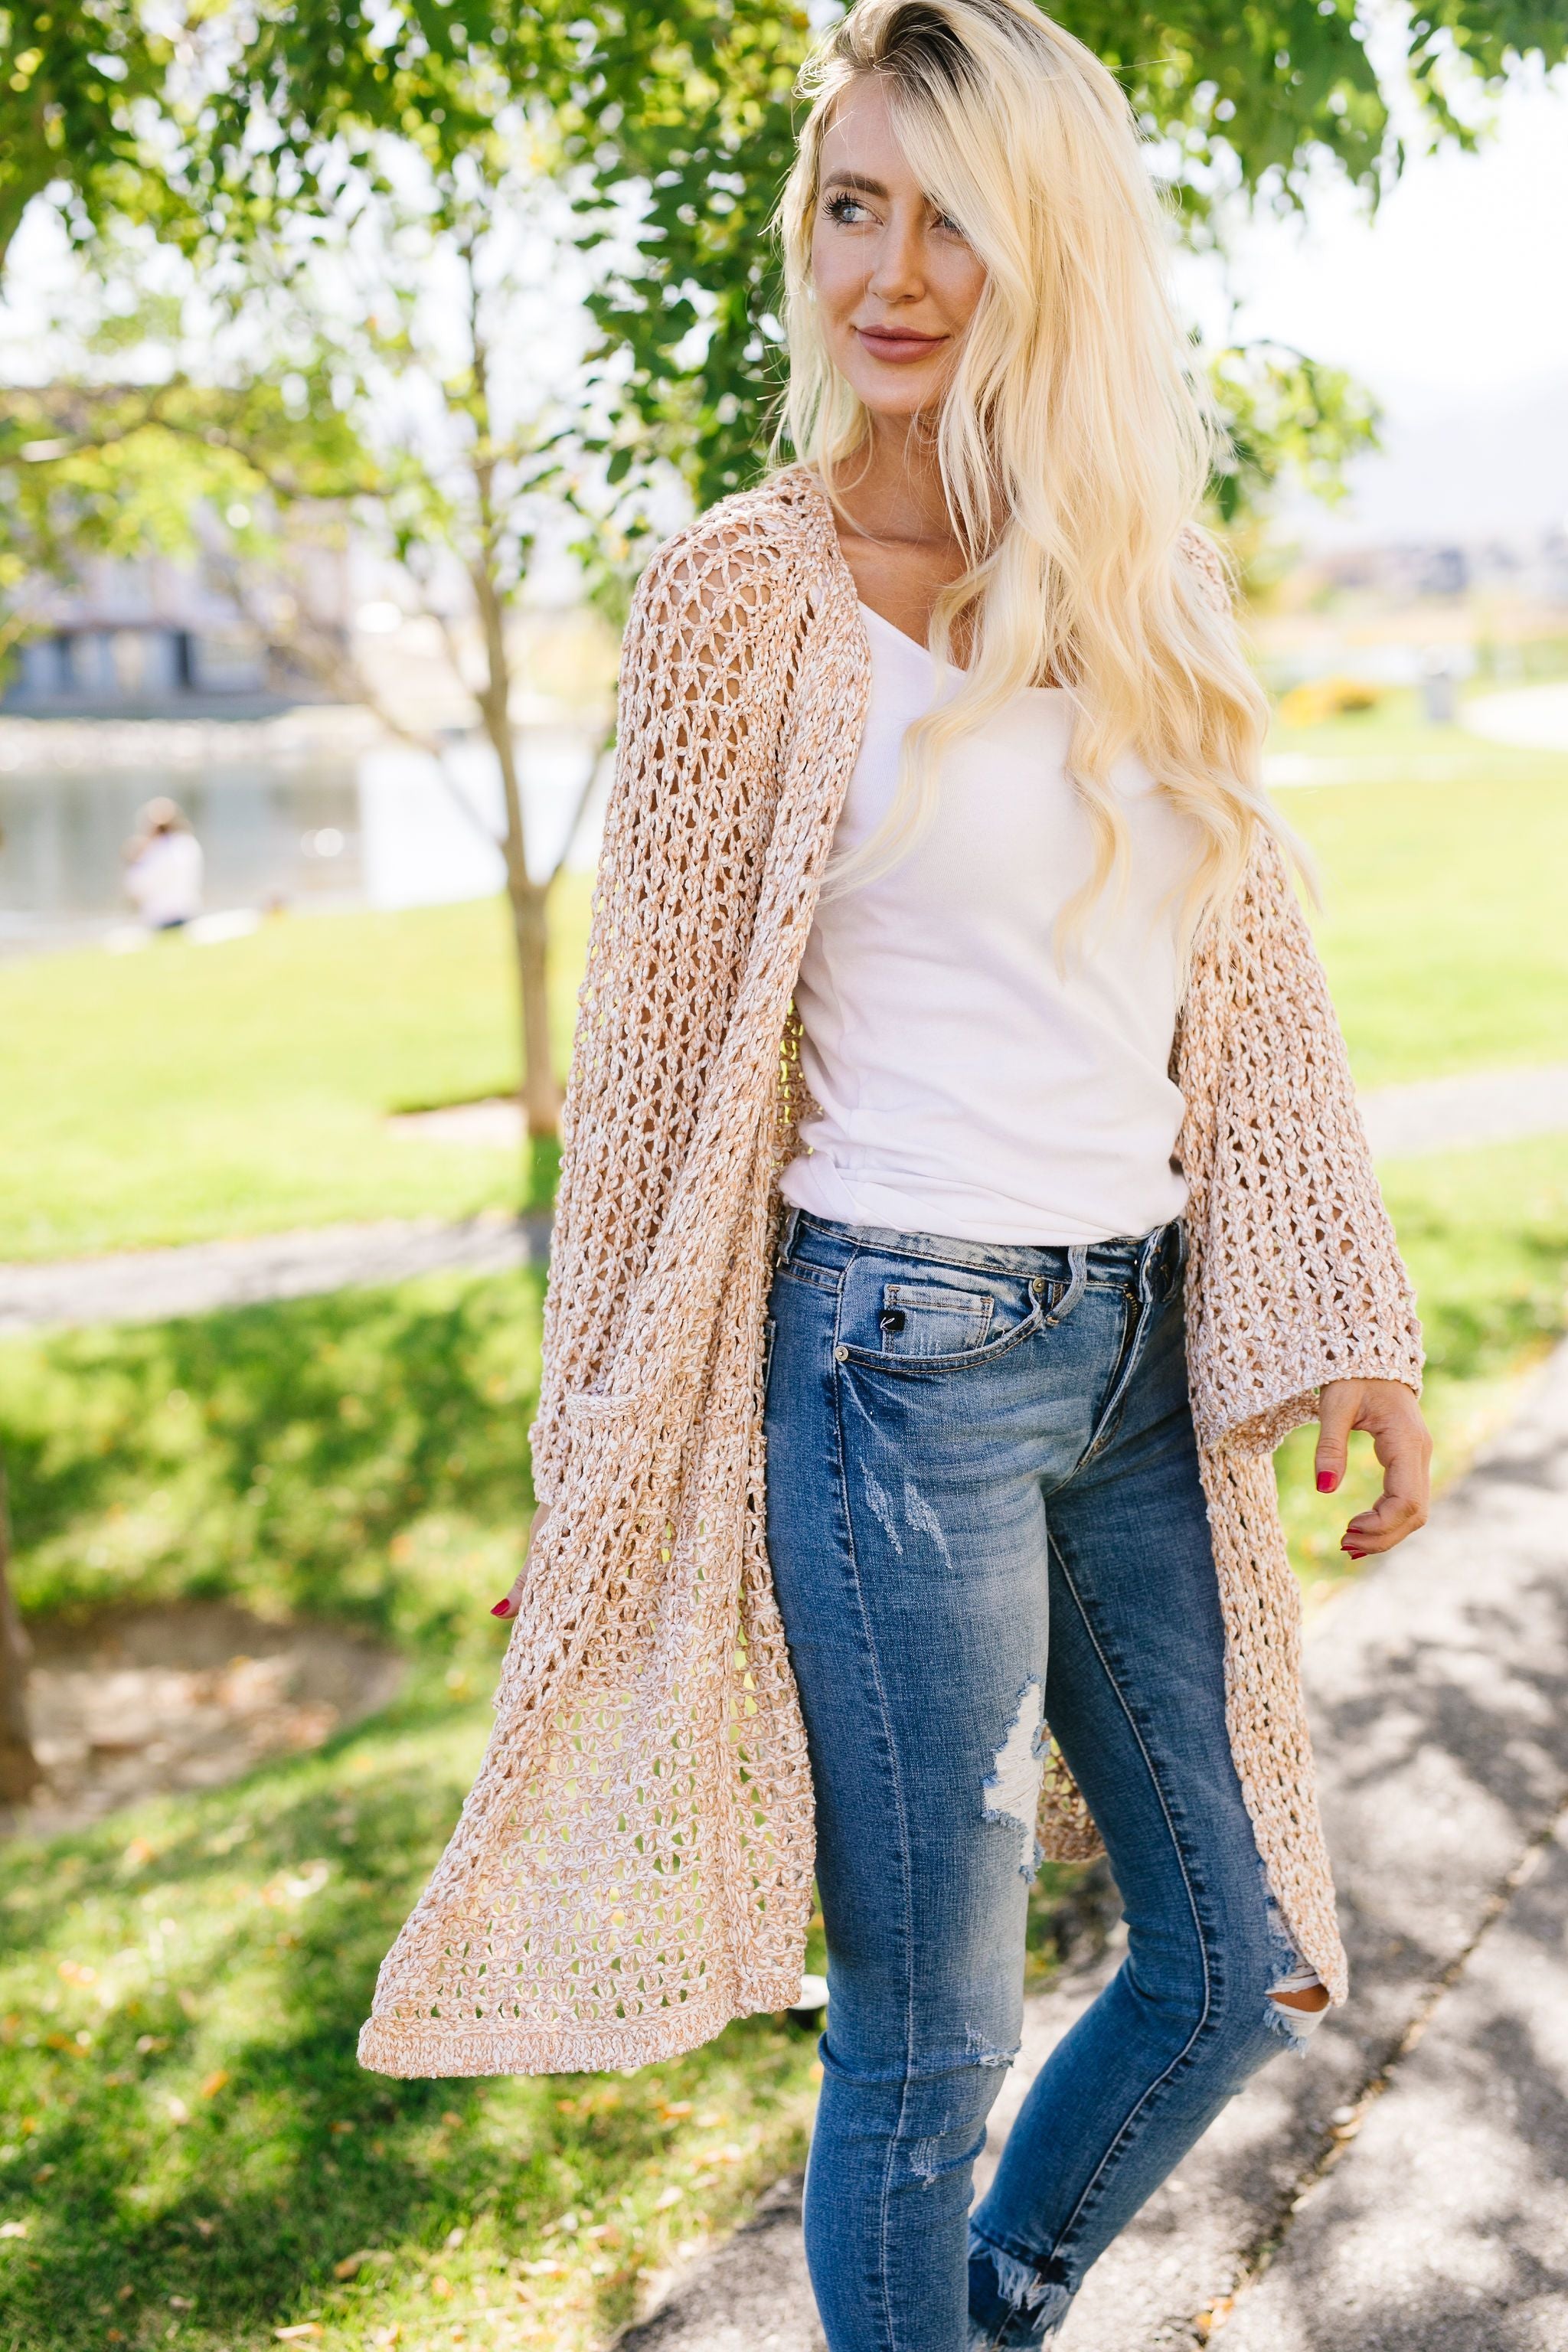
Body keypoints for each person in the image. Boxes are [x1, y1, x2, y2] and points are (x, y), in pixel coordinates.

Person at [358, 5, 1430, 2344]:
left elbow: (1246, 996)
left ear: (1051, 248)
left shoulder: (1145, 573)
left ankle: (975, 2313)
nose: (892, 265)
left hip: (1137, 1352)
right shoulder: (735, 604)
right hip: (890, 1368)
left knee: (1233, 1950)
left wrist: (1342, 1319)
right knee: (923, 2036)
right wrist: (600, 1474)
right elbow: (644, 1106)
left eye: (949, 214)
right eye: (851, 203)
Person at [123, 798, 204, 931]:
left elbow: (136, 888)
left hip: (161, 919)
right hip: (189, 911)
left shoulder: (152, 853)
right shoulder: (189, 844)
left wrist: (134, 861)